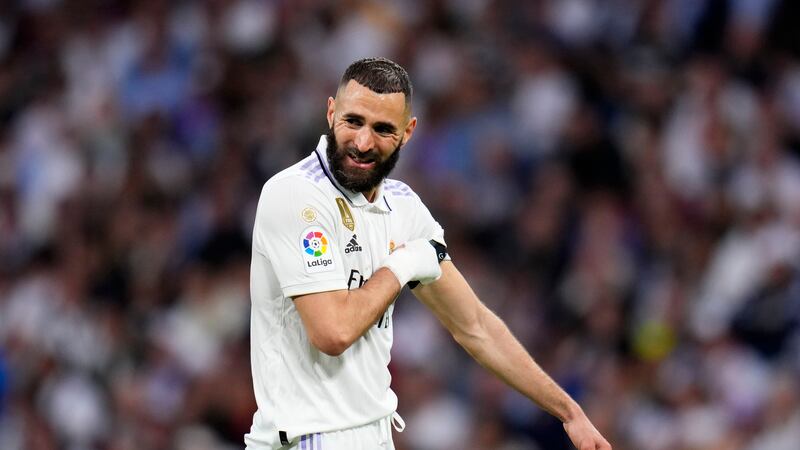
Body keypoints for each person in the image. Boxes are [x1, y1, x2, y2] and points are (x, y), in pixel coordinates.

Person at [245, 57, 611, 450]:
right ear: (331, 111)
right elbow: (332, 332)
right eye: (354, 121)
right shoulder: (297, 195)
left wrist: (569, 413)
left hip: (374, 436)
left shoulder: (403, 207)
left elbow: (476, 327)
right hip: (306, 439)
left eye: (383, 129)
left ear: (407, 133)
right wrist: (401, 265)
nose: (363, 142)